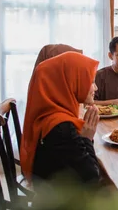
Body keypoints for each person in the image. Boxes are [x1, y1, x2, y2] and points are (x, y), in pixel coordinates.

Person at [21, 51, 110, 186]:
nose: (95, 88)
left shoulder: (50, 114)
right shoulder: (62, 128)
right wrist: (87, 138)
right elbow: (92, 178)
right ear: (70, 82)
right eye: (91, 82)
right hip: (62, 202)